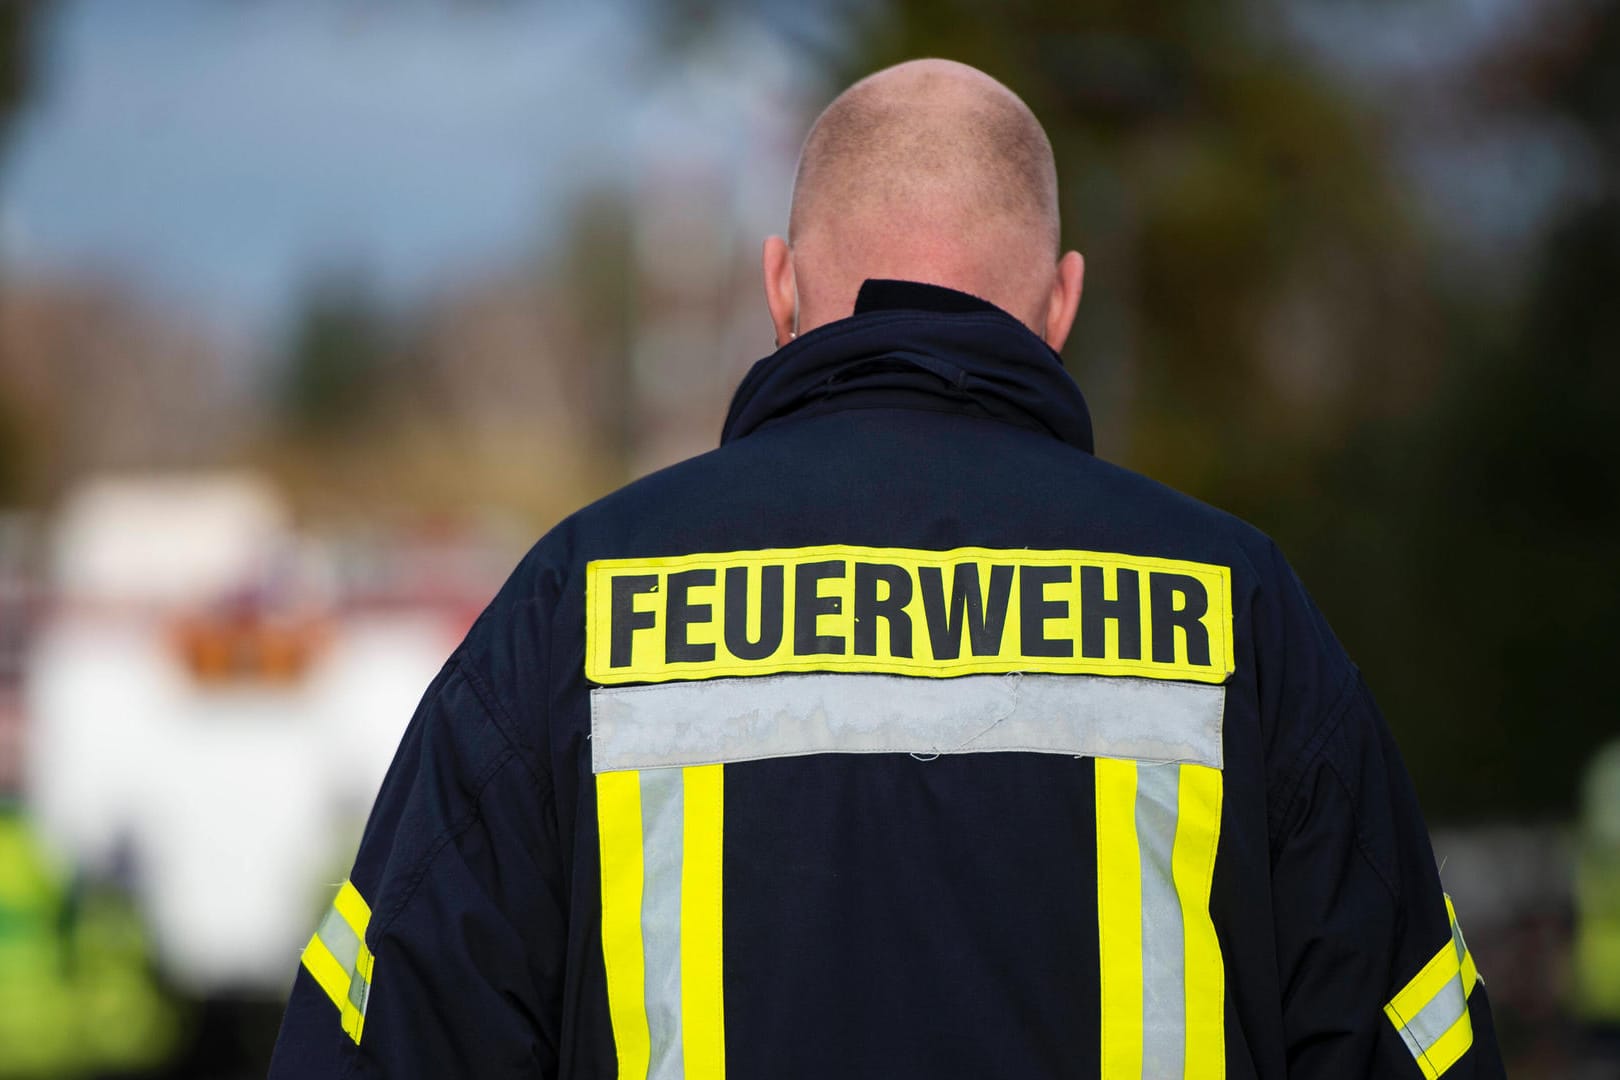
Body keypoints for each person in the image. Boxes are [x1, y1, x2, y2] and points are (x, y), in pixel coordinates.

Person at [269, 59, 1506, 1079]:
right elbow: (1418, 1046)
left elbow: (381, 1044)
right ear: (1061, 304)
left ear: (780, 289)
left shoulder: (577, 603)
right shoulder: (1237, 610)